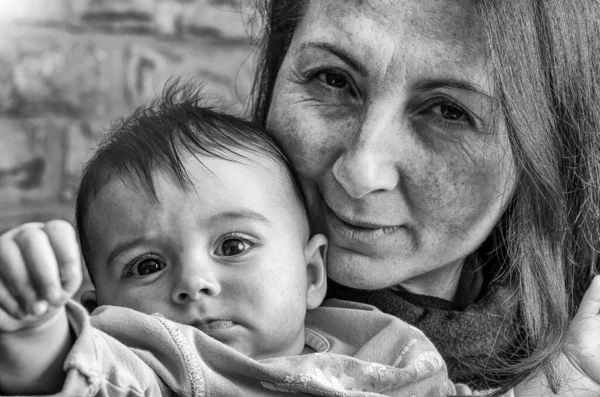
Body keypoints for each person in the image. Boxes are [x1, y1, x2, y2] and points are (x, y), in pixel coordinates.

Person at [0, 82, 455, 396]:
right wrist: (35, 329)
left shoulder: (376, 344)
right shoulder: (161, 367)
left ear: (312, 273)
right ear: (102, 310)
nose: (194, 282)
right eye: (146, 266)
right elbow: (84, 374)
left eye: (233, 246)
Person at [250, 0, 600, 395]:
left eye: (448, 111)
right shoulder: (187, 321)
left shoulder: (584, 342)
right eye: (332, 79)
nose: (361, 171)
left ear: (549, 144)